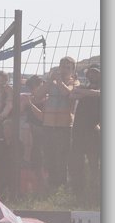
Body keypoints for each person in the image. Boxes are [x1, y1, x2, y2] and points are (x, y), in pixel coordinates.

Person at [33, 56, 79, 194]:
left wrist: (58, 81)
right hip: (48, 125)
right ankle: (52, 186)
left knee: (62, 158)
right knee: (49, 156)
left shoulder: (74, 82)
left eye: (68, 68)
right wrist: (49, 81)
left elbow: (67, 93)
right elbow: (37, 95)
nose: (64, 70)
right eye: (62, 67)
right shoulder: (51, 83)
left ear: (72, 70)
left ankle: (62, 187)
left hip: (64, 126)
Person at [69, 64, 101, 199]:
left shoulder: (86, 90)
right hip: (79, 130)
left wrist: (83, 93)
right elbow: (72, 95)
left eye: (96, 73)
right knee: (77, 161)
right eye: (91, 73)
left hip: (94, 130)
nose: (93, 75)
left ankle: (96, 191)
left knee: (94, 162)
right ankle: (78, 190)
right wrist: (85, 92)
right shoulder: (84, 88)